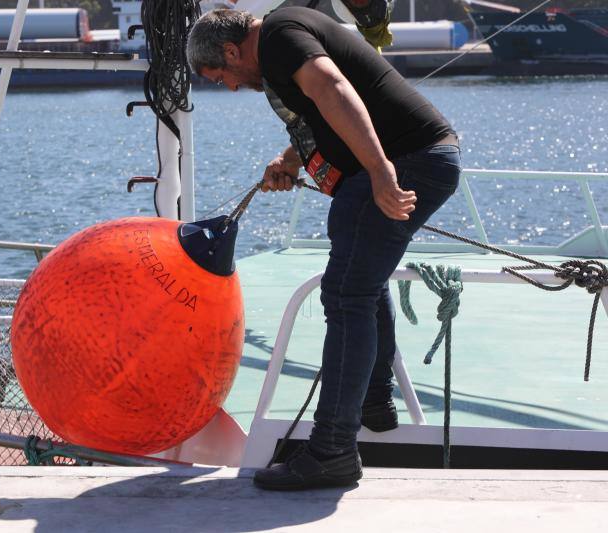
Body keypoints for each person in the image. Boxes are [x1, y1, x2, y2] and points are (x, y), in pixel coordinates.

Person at [187, 6, 461, 491]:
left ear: (232, 50)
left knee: (344, 295)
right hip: (420, 155)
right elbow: (323, 112)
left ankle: (332, 450)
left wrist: (381, 174)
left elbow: (335, 90)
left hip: (410, 160)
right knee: (361, 278)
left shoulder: (278, 39)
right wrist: (290, 160)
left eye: (221, 76)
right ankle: (374, 401)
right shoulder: (284, 35)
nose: (230, 86)